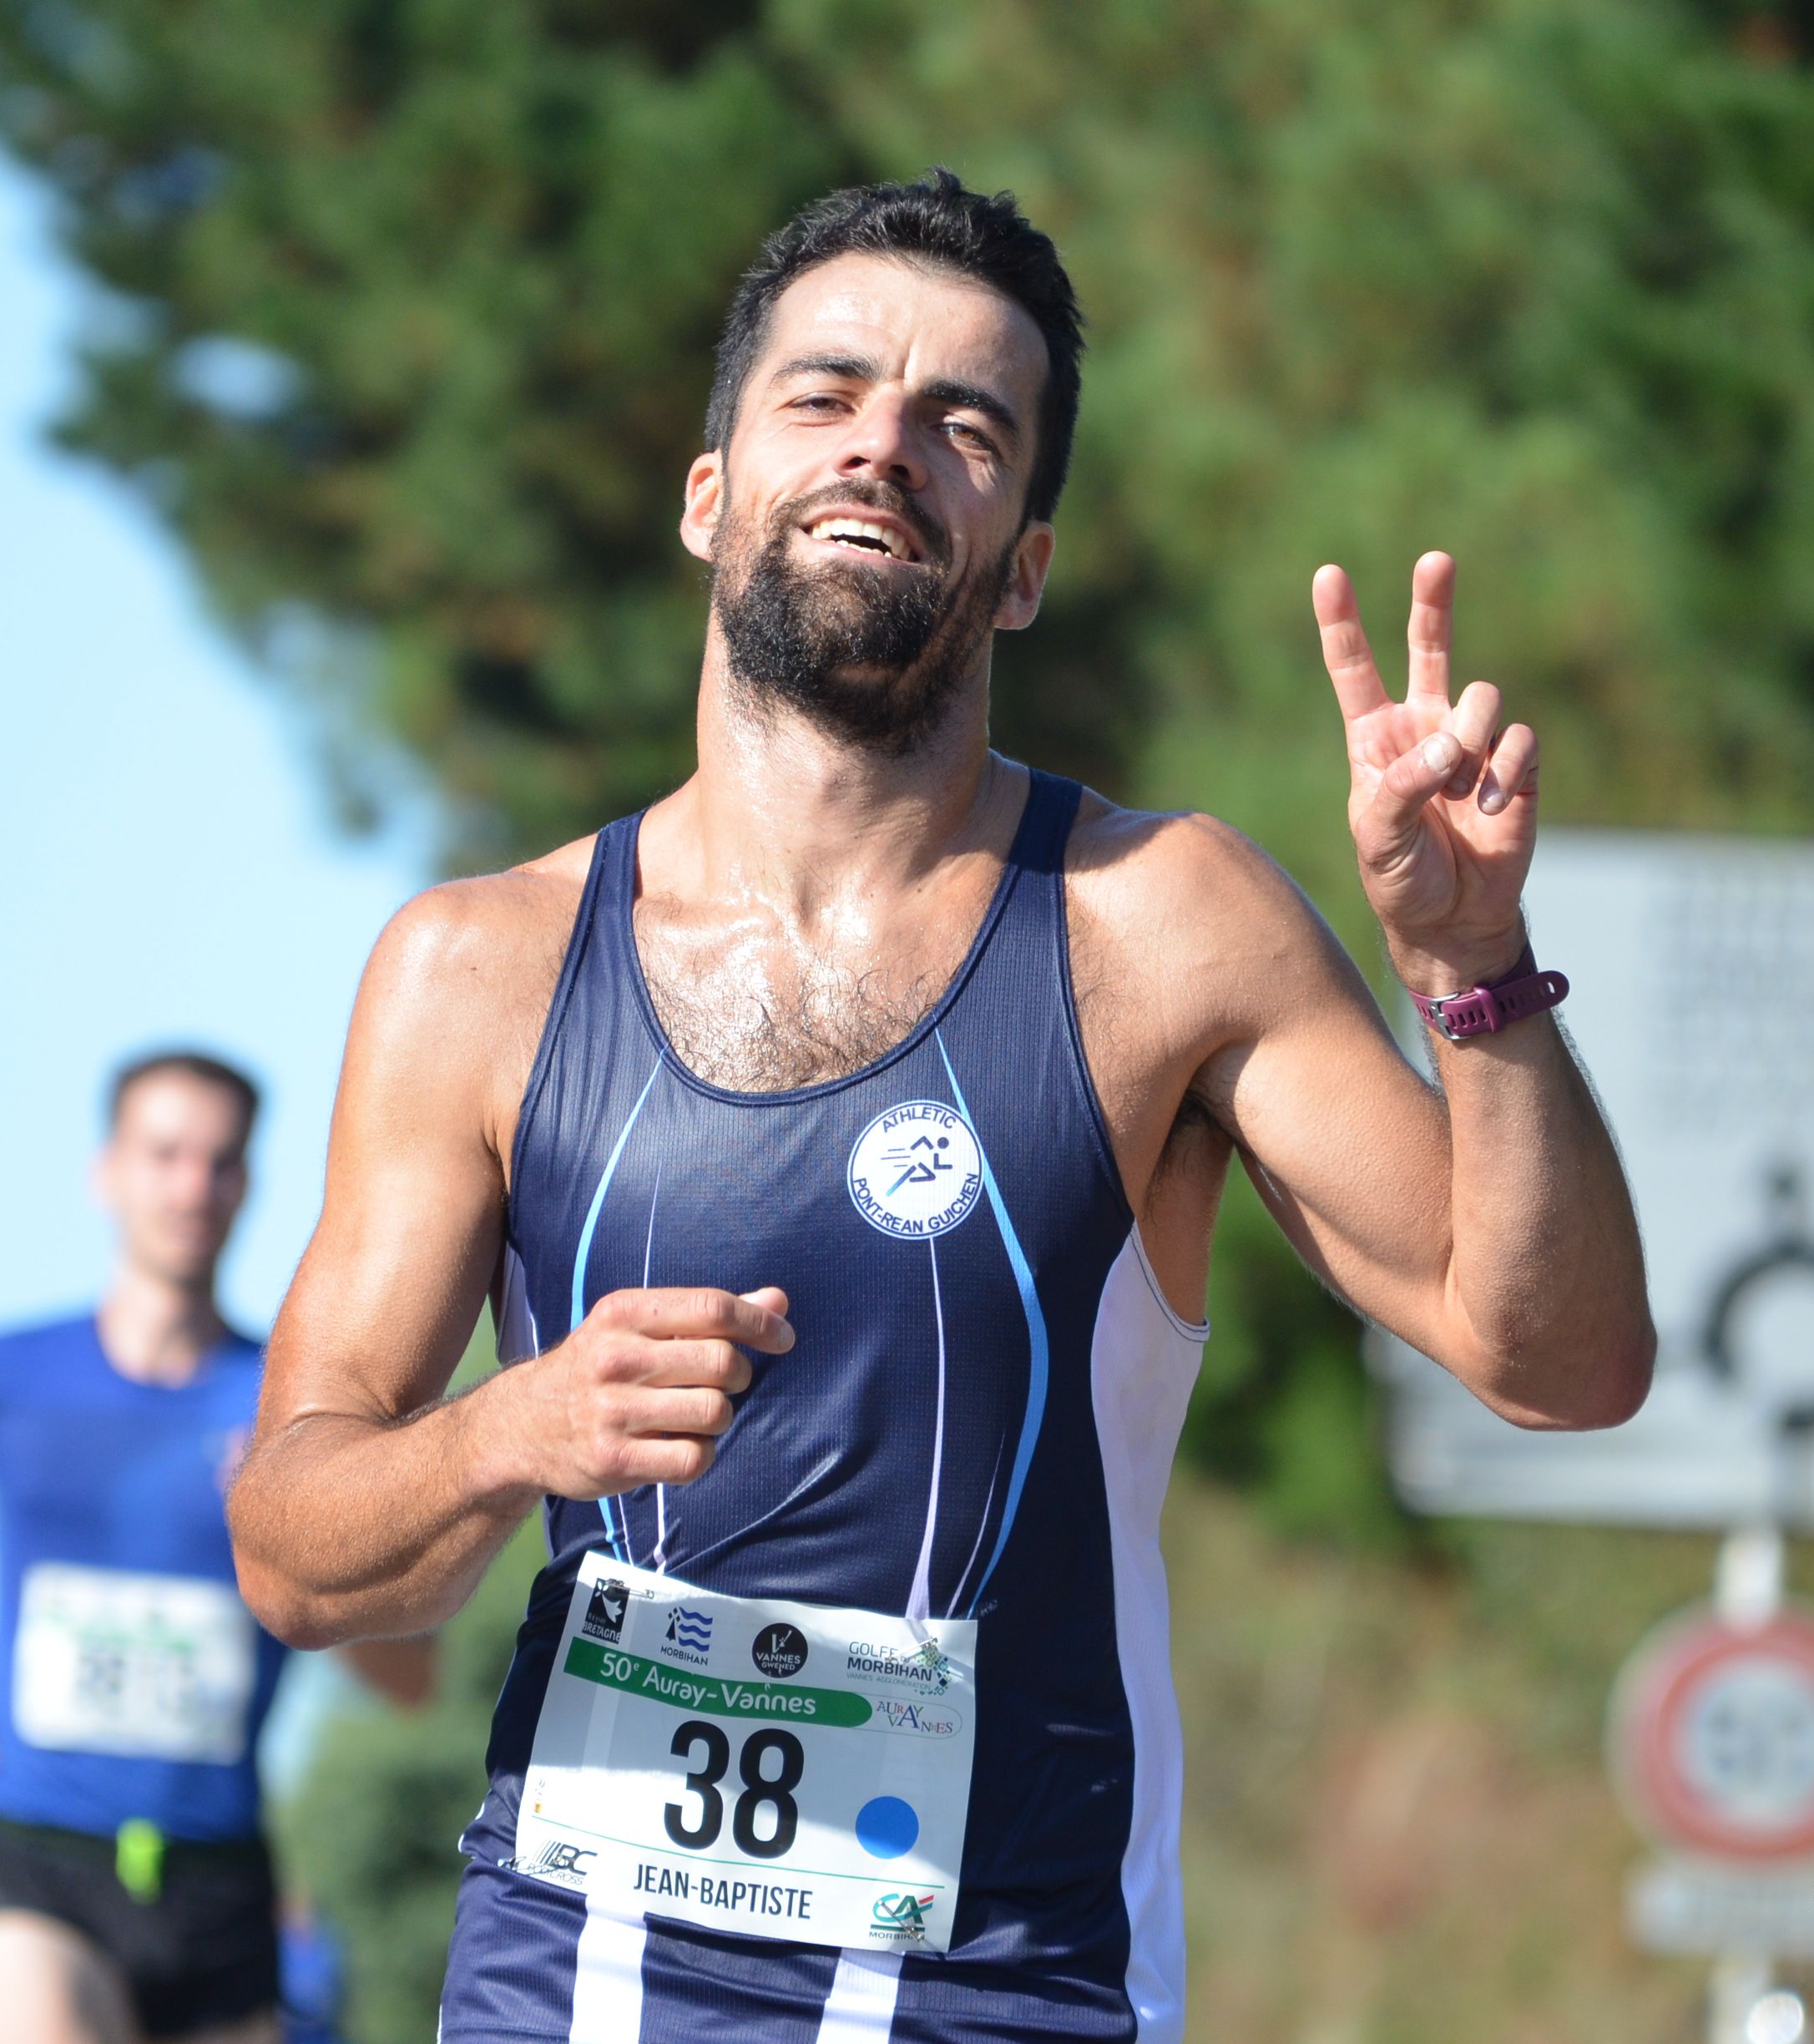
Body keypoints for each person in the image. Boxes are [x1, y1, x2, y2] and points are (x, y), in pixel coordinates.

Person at [228, 170, 1655, 2043]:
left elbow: (1561, 1360)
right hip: (567, 1991)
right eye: (824, 393)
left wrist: (1475, 971)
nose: (882, 445)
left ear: (1027, 567)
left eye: (963, 426)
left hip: (1005, 2000)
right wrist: (510, 1428)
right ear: (707, 491)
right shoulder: (477, 970)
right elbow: (293, 1549)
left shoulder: (1162, 929)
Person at [0, 1049, 433, 2044]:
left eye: (221, 1161)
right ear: (105, 1172)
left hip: (220, 1887)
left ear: (247, 1184)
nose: (192, 1187)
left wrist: (304, 1542)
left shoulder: (295, 1415)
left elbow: (413, 1680)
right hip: (35, 1864)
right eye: (165, 1155)